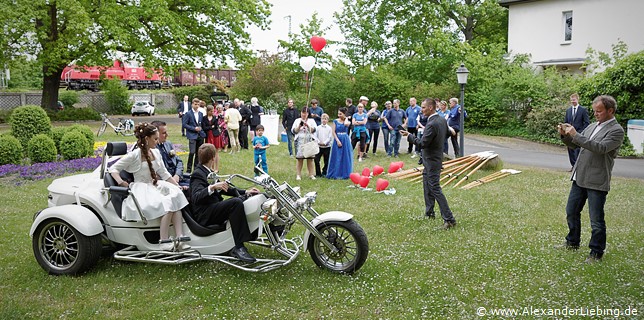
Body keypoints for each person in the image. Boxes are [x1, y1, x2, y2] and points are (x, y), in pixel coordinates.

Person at [557, 95, 624, 263]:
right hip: (580, 177)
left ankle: (596, 252)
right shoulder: (593, 126)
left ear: (610, 111)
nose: (595, 114)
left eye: (599, 111)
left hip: (597, 180)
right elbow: (576, 144)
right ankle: (572, 242)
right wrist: (565, 135)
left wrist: (576, 134)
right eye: (594, 111)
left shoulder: (616, 130)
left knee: (596, 220)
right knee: (571, 211)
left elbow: (600, 148)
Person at [110, 123, 191, 251]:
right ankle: (163, 240)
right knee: (167, 204)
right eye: (155, 139)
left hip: (154, 185)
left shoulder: (156, 152)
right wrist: (121, 182)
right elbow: (113, 168)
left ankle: (180, 236)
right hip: (142, 189)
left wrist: (176, 185)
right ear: (147, 139)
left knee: (175, 199)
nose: (157, 141)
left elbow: (164, 173)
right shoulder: (134, 155)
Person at [190, 143, 261, 263]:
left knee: (242, 199)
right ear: (213, 157)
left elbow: (226, 189)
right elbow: (196, 197)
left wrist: (246, 192)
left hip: (212, 208)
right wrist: (212, 187)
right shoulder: (198, 173)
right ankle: (239, 247)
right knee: (236, 203)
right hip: (204, 214)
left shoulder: (208, 171)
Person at [401, 98, 457, 229]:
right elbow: (448, 133)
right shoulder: (441, 120)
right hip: (432, 159)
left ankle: (449, 219)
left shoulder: (432, 123)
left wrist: (409, 136)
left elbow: (422, 143)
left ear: (431, 108)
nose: (422, 110)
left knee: (435, 188)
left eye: (424, 107)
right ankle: (429, 212)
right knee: (427, 186)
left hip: (432, 160)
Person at [151, 120, 190, 186]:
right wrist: (172, 180)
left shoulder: (168, 144)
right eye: (164, 133)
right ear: (156, 134)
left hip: (177, 177)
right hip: (165, 182)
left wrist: (177, 175)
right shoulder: (152, 150)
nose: (167, 135)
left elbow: (179, 161)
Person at [564, 93, 590, 170]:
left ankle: (577, 166)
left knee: (577, 150)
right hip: (569, 135)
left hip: (578, 133)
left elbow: (586, 122)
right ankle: (573, 166)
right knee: (570, 150)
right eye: (571, 100)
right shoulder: (568, 110)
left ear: (578, 99)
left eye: (574, 99)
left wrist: (581, 132)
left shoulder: (583, 110)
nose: (573, 101)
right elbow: (566, 122)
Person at [326, 107, 353, 180]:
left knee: (345, 156)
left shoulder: (347, 121)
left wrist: (346, 118)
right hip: (338, 138)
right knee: (337, 156)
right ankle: (336, 172)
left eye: (340, 114)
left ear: (344, 114)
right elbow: (333, 131)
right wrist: (337, 140)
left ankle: (345, 172)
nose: (339, 115)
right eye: (338, 114)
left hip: (345, 139)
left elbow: (347, 124)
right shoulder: (335, 121)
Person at [292, 107, 318, 180]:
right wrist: (299, 126)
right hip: (300, 140)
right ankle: (298, 175)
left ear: (308, 114)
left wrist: (308, 126)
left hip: (309, 140)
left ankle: (311, 174)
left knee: (310, 158)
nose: (304, 114)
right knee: (300, 159)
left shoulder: (311, 121)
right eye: (303, 113)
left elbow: (314, 130)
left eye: (306, 113)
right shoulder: (297, 120)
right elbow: (294, 131)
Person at [182, 98, 206, 173]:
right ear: (192, 104)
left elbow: (202, 124)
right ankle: (189, 169)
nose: (196, 106)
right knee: (192, 152)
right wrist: (193, 128)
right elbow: (184, 124)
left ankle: (196, 168)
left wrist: (201, 130)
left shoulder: (201, 114)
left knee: (198, 153)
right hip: (192, 135)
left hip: (200, 135)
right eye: (195, 104)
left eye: (198, 104)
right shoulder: (188, 114)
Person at [201, 106, 221, 172]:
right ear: (208, 111)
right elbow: (204, 127)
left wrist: (210, 127)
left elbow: (215, 126)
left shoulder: (215, 117)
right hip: (208, 136)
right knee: (210, 152)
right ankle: (211, 167)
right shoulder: (204, 118)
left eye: (213, 111)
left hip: (215, 135)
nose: (212, 112)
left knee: (216, 151)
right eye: (211, 111)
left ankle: (216, 168)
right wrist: (211, 127)